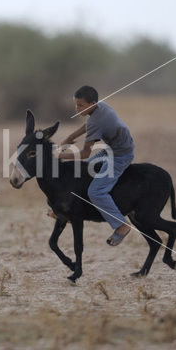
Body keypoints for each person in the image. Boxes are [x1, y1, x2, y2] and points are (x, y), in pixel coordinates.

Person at [56, 85, 135, 246]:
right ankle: (71, 213)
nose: (77, 109)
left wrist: (59, 156)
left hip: (120, 156)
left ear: (92, 103)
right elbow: (88, 125)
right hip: (111, 149)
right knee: (82, 171)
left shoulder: (96, 121)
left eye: (80, 105)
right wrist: (68, 139)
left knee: (96, 191)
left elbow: (85, 153)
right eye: (76, 105)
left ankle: (121, 225)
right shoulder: (100, 107)